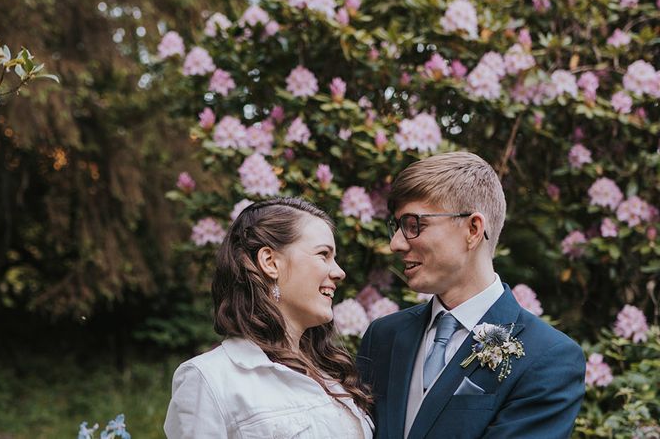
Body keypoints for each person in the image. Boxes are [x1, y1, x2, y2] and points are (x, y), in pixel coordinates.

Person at [357, 151, 585, 439]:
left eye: (414, 225)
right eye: (398, 227)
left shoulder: (550, 358)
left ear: (473, 229)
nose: (396, 244)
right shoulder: (383, 337)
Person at [165, 196, 374, 438]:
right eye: (323, 255)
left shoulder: (332, 376)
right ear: (270, 262)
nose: (339, 272)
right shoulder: (209, 379)